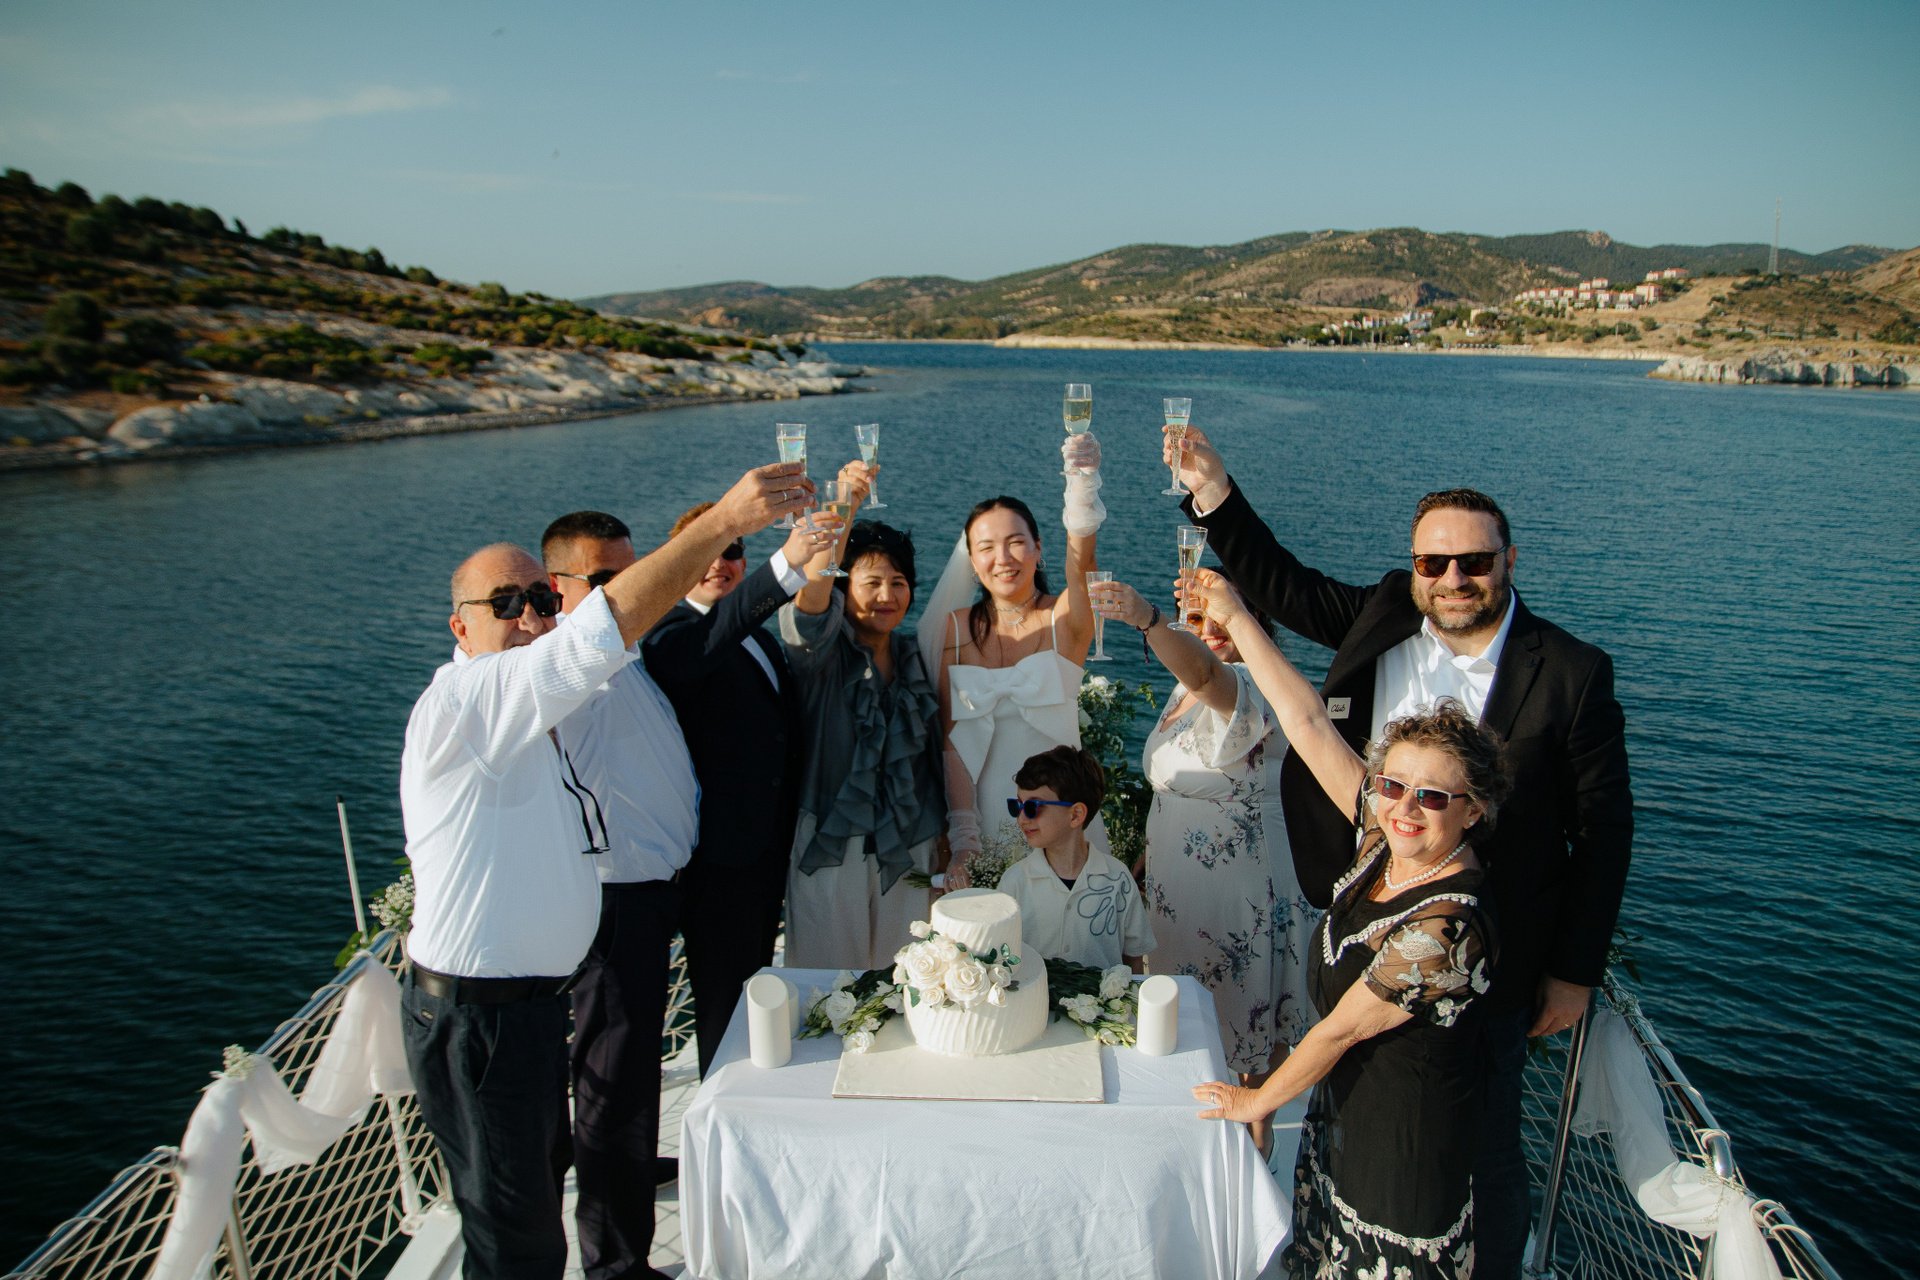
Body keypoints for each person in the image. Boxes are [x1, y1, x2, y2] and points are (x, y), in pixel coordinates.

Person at [1170, 434, 1633, 1278]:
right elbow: (1289, 600)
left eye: (1473, 562)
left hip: (1474, 949)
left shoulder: (1571, 672)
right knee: (1358, 1106)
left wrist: (1573, 972)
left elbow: (1604, 834)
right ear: (1415, 568)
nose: (1453, 579)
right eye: (1433, 563)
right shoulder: (1387, 611)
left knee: (1479, 1141)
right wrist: (1213, 494)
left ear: (1509, 561)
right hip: (1361, 910)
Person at [398, 464, 807, 1280]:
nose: (530, 617)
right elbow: (607, 630)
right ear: (459, 625)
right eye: (505, 604)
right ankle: (617, 1264)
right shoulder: (473, 701)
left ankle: (612, 1241)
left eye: (539, 601)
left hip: (537, 993)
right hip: (483, 1012)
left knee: (536, 1203)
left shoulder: (554, 690)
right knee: (516, 1238)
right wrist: (724, 524)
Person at [1182, 569, 1507, 1280]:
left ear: (1474, 809)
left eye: (1432, 796)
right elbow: (1305, 721)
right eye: (1392, 785)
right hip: (1341, 1127)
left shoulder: (1448, 929)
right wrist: (1234, 616)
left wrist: (1257, 1100)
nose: (1405, 808)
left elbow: (1341, 1030)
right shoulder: (1380, 844)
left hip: (1402, 1162)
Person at [1089, 575, 1319, 1156]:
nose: (1210, 631)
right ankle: (1193, 1139)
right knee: (1187, 1018)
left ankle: (1253, 1153)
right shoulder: (1180, 689)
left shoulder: (1254, 681)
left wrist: (1149, 620)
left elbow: (1208, 676)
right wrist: (1142, 864)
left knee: (1244, 1029)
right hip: (1177, 889)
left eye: (1223, 618)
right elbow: (1177, 787)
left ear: (1255, 622)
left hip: (1238, 892)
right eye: (1197, 621)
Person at [542, 509, 699, 1280]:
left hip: (652, 890)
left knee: (630, 1065)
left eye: (628, 575)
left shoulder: (625, 651)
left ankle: (628, 1174)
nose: (622, 591)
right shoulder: (565, 664)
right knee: (615, 1078)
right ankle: (615, 1265)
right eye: (603, 579)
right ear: (557, 588)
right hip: (613, 899)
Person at [643, 500, 827, 1078]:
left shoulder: (759, 640)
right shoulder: (670, 635)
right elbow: (713, 639)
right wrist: (786, 566)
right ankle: (720, 1101)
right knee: (723, 1003)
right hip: (718, 863)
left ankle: (756, 1094)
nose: (720, 563)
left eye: (732, 551)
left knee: (757, 990)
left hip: (767, 852)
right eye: (704, 551)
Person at [778, 467, 949, 969]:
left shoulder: (917, 656)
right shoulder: (821, 657)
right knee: (827, 986)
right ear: (842, 587)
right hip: (832, 847)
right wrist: (844, 508)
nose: (887, 596)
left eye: (899, 583)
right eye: (871, 582)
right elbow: (809, 606)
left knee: (908, 983)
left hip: (911, 845)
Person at [921, 434, 1105, 887]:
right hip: (984, 824)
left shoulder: (1065, 621)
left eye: (1016, 542)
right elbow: (952, 746)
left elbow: (1082, 565)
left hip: (1065, 824)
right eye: (986, 547)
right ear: (972, 561)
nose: (1002, 558)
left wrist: (1081, 486)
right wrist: (965, 841)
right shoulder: (954, 630)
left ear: (1038, 549)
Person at [998, 745, 1155, 971]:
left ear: (1076, 815)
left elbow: (1134, 958)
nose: (1022, 819)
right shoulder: (1014, 882)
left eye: (1032, 807)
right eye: (1017, 806)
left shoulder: (1118, 879)